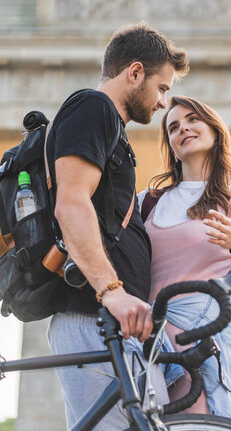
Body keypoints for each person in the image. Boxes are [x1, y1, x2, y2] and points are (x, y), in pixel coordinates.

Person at [46, 22, 189, 430]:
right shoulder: (94, 108)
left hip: (116, 321)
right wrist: (112, 292)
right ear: (135, 72)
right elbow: (71, 204)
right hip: (96, 315)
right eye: (162, 88)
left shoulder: (110, 126)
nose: (163, 103)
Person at [138, 96, 231, 423]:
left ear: (215, 130)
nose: (183, 128)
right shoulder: (146, 202)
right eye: (173, 127)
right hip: (150, 339)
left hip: (205, 336)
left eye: (192, 119)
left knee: (201, 422)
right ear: (170, 145)